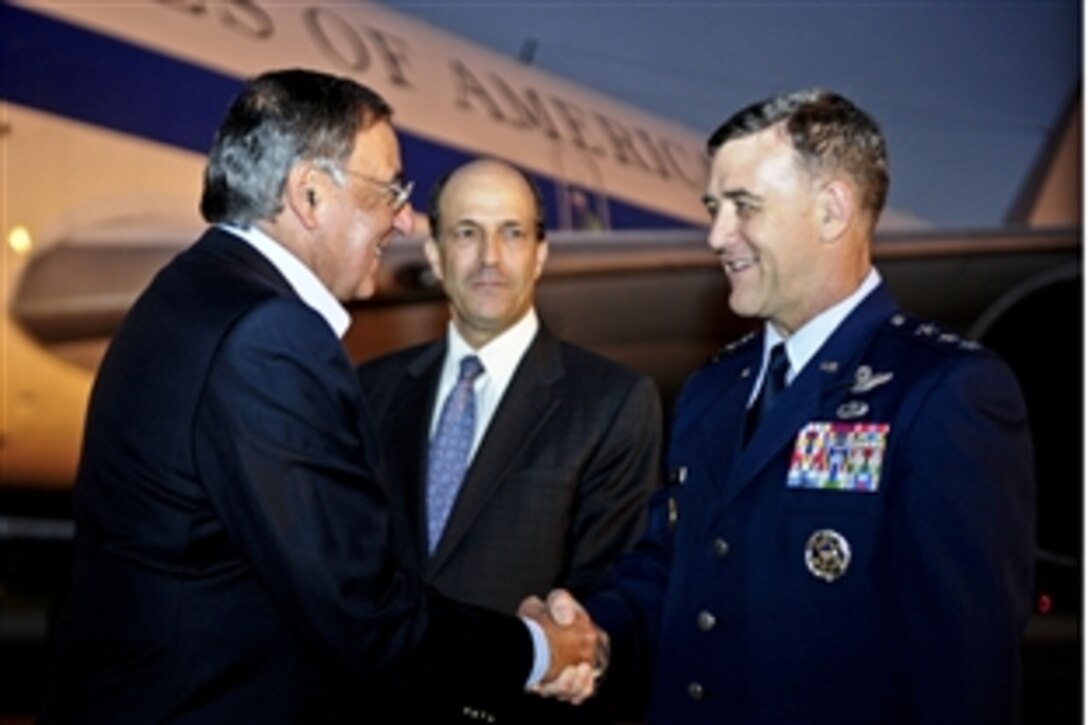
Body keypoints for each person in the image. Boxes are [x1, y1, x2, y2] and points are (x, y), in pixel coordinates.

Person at [39, 69, 598, 724]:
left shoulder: (189, 295)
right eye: (390, 190)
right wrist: (539, 649)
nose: (407, 218)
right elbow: (364, 609)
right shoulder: (270, 337)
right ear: (308, 194)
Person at [541, 89, 1036, 723]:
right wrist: (595, 635)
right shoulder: (713, 390)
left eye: (743, 207)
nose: (717, 235)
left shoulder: (945, 392)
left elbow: (964, 677)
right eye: (714, 208)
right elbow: (669, 569)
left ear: (831, 210)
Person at [357, 158, 663, 723]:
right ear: (434, 255)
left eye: (512, 233)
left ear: (541, 254)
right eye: (467, 233)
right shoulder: (368, 391)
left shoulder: (612, 402)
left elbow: (609, 595)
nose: (490, 258)